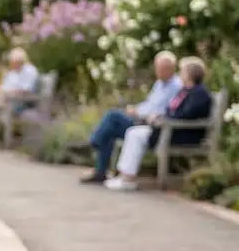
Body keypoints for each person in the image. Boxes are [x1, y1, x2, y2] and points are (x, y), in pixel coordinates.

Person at [106, 56, 213, 191]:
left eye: (182, 71)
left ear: (190, 74)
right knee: (134, 132)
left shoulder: (199, 93)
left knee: (136, 135)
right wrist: (160, 116)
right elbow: (172, 110)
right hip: (170, 130)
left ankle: (128, 178)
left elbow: (186, 115)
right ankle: (124, 176)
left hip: (183, 134)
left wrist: (163, 119)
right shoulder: (185, 91)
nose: (180, 74)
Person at [83, 51, 183, 184]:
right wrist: (135, 109)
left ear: (171, 68)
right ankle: (100, 172)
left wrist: (139, 112)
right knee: (110, 129)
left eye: (162, 68)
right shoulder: (159, 84)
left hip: (151, 124)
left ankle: (95, 141)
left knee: (113, 116)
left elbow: (163, 111)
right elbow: (149, 103)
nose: (158, 72)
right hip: (140, 119)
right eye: (157, 68)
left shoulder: (176, 86)